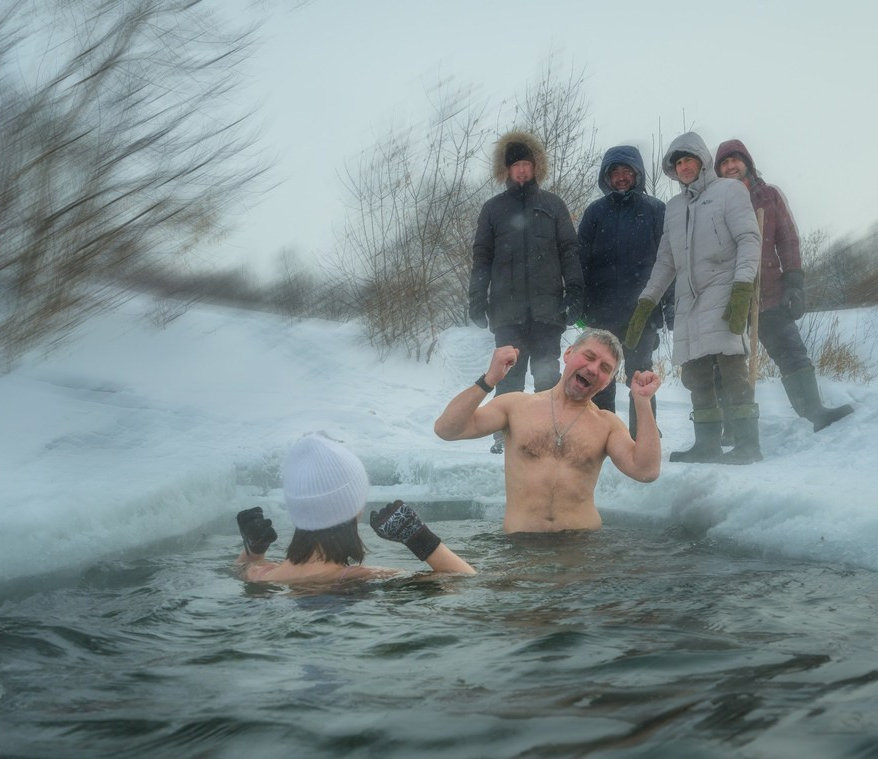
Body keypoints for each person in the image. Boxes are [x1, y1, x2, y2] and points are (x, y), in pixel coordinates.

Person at [433, 329, 661, 533]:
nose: (592, 369)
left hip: (582, 551)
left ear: (608, 381)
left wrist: (642, 402)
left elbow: (646, 471)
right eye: (589, 357)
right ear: (569, 353)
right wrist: (489, 379)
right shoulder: (516, 406)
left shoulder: (607, 424)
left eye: (605, 368)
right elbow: (447, 429)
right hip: (520, 549)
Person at [624, 132, 763, 465]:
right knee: (696, 375)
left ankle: (747, 444)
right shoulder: (674, 208)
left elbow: (748, 239)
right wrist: (646, 302)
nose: (684, 167)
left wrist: (742, 289)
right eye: (678, 163)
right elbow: (666, 262)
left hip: (724, 291)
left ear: (702, 160)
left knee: (732, 370)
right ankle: (708, 444)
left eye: (689, 160)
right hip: (689, 300)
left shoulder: (729, 191)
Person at [714, 139, 853, 432]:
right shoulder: (715, 201)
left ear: (747, 163)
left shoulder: (768, 196)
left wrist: (794, 282)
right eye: (724, 163)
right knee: (727, 363)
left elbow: (788, 239)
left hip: (769, 290)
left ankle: (813, 413)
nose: (730, 167)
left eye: (735, 161)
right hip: (731, 295)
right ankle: (731, 425)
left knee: (792, 352)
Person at [469, 130, 585, 455]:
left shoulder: (553, 205)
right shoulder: (493, 210)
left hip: (549, 310)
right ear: (506, 170)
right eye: (515, 165)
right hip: (507, 312)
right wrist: (477, 300)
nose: (521, 170)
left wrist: (574, 294)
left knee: (547, 374)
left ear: (536, 167)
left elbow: (569, 251)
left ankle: (549, 434)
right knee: (509, 374)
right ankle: (504, 435)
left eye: (526, 164)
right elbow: (481, 257)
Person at [234, 432, 475, 584]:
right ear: (355, 508)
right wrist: (420, 539)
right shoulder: (366, 577)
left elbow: (243, 570)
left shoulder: (260, 574)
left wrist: (253, 552)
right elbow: (468, 584)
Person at [577, 145, 674, 438]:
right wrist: (578, 302)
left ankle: (643, 434)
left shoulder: (656, 210)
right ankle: (600, 432)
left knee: (640, 374)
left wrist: (669, 305)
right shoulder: (595, 212)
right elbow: (580, 260)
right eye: (615, 172)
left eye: (626, 171)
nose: (621, 177)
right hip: (602, 309)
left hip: (642, 311)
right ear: (607, 177)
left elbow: (669, 262)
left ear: (637, 174)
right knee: (599, 374)